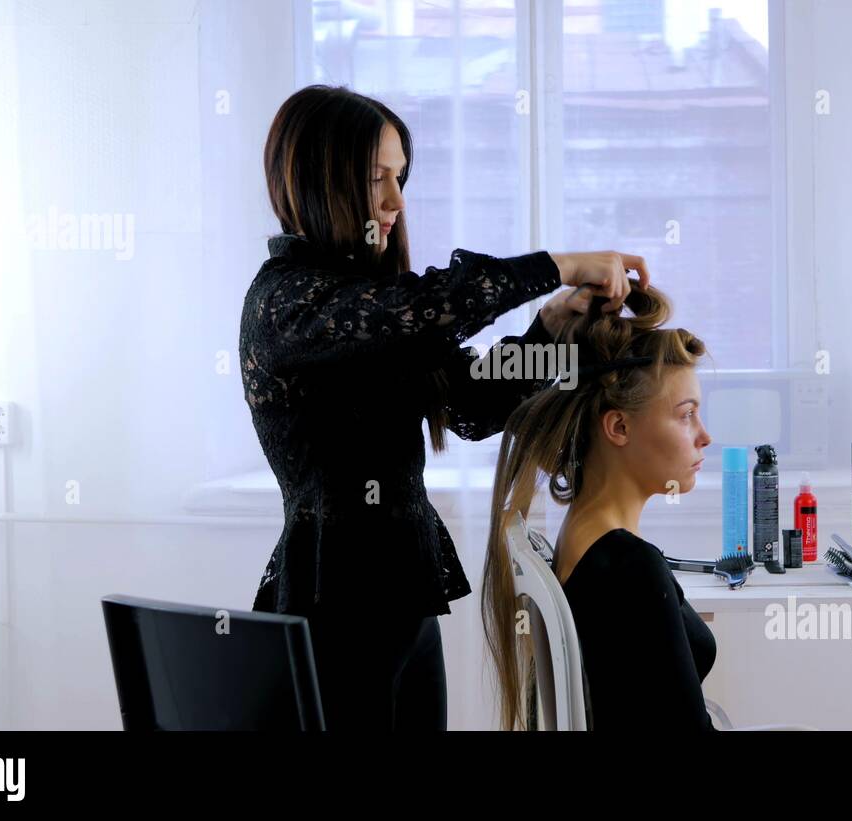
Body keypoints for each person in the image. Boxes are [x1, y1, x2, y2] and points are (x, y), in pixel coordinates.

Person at [239, 84, 649, 730]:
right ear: (321, 180)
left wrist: (549, 324)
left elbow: (475, 403)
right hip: (332, 608)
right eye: (377, 178)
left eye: (400, 177)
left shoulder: (378, 307)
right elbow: (441, 302)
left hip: (406, 604)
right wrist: (562, 263)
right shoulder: (285, 305)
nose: (396, 201)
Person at [481, 285, 718, 730]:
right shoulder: (631, 570)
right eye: (686, 414)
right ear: (619, 426)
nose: (703, 436)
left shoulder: (586, 543)